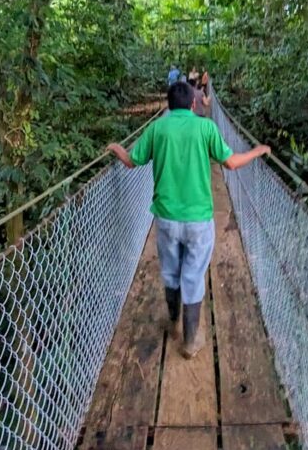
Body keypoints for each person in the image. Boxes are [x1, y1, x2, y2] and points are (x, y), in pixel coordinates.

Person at [107, 82, 270, 358]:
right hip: (198, 220)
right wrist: (257, 151)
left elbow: (132, 161)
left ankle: (173, 323)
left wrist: (115, 148)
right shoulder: (205, 128)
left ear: (168, 106)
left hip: (166, 219)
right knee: (193, 276)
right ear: (194, 104)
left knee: (171, 272)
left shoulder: (158, 128)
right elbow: (230, 163)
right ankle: (191, 340)